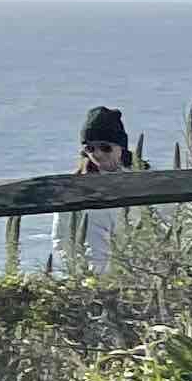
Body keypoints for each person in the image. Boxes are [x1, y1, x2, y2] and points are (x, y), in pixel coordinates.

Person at [64, 104, 135, 276]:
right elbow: (61, 238)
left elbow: (165, 224)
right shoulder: (75, 185)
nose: (97, 154)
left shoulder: (148, 179)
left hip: (139, 275)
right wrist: (77, 272)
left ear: (121, 147)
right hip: (92, 279)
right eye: (90, 148)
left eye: (105, 147)